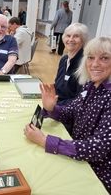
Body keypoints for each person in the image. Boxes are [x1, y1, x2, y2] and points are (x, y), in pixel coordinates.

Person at [24, 36, 111, 193]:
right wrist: (52, 108)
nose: (95, 64)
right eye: (90, 58)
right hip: (78, 155)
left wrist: (45, 141)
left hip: (98, 173)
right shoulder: (90, 85)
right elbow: (71, 113)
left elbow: (98, 148)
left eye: (104, 58)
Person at [54, 23, 89, 105]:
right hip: (57, 103)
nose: (71, 39)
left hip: (70, 111)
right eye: (68, 36)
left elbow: (80, 99)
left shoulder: (85, 63)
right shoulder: (64, 59)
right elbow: (58, 86)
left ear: (83, 40)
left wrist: (56, 105)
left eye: (76, 36)